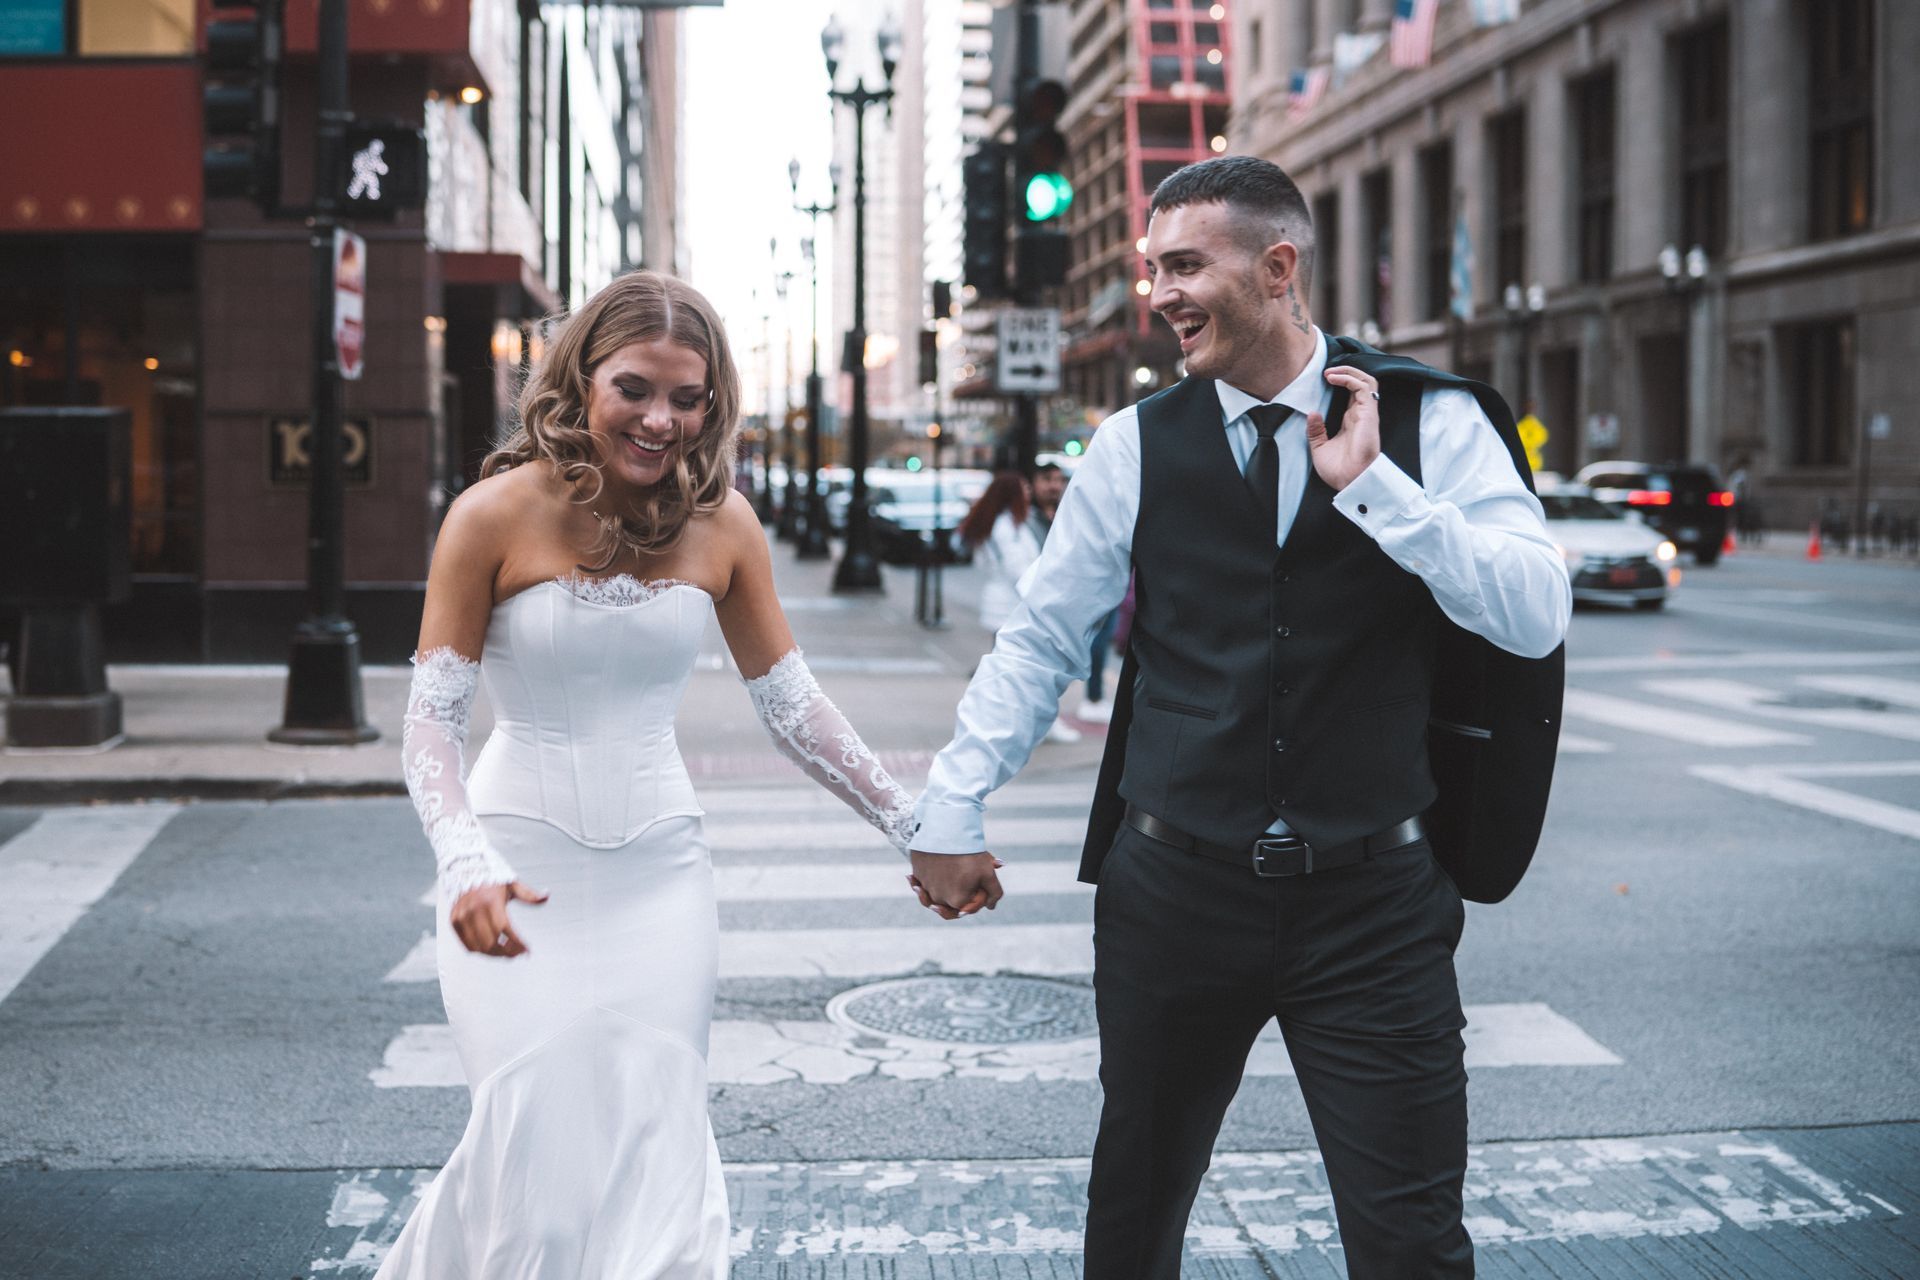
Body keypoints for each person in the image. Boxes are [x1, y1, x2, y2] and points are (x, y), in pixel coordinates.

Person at [906, 155, 1571, 1277]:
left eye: (1184, 266)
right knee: (1134, 1214)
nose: (1158, 293)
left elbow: (1536, 613)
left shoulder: (1432, 421)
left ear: (1277, 268)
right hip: (1174, 893)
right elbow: (1041, 638)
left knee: (1412, 1240)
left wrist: (1379, 492)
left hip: (1375, 905)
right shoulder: (1133, 444)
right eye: (1152, 268)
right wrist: (952, 801)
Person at [382, 271, 915, 1278]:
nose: (661, 419)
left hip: (662, 880)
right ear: (581, 380)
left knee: (660, 1162)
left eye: (687, 397)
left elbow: (792, 707)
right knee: (534, 1172)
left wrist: (914, 826)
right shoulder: (490, 516)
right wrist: (463, 859)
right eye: (634, 388)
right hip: (514, 867)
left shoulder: (726, 525)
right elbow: (430, 725)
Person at [958, 472, 1081, 744]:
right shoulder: (1008, 526)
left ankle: (1010, 722)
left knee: (1010, 671)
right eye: (1024, 488)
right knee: (1024, 670)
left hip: (1002, 602)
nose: (1028, 492)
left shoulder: (1001, 523)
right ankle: (1031, 722)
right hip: (1010, 605)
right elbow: (1018, 568)